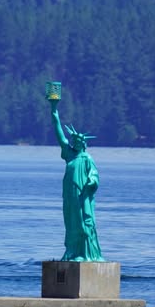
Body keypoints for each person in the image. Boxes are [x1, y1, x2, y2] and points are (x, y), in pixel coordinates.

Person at [50, 99, 104, 261]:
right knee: (70, 221)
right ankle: (72, 250)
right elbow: (58, 132)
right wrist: (54, 109)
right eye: (75, 141)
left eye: (80, 141)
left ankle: (86, 253)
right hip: (69, 194)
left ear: (84, 144)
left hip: (82, 196)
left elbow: (95, 175)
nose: (77, 143)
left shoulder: (87, 159)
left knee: (82, 221)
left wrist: (91, 181)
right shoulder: (69, 154)